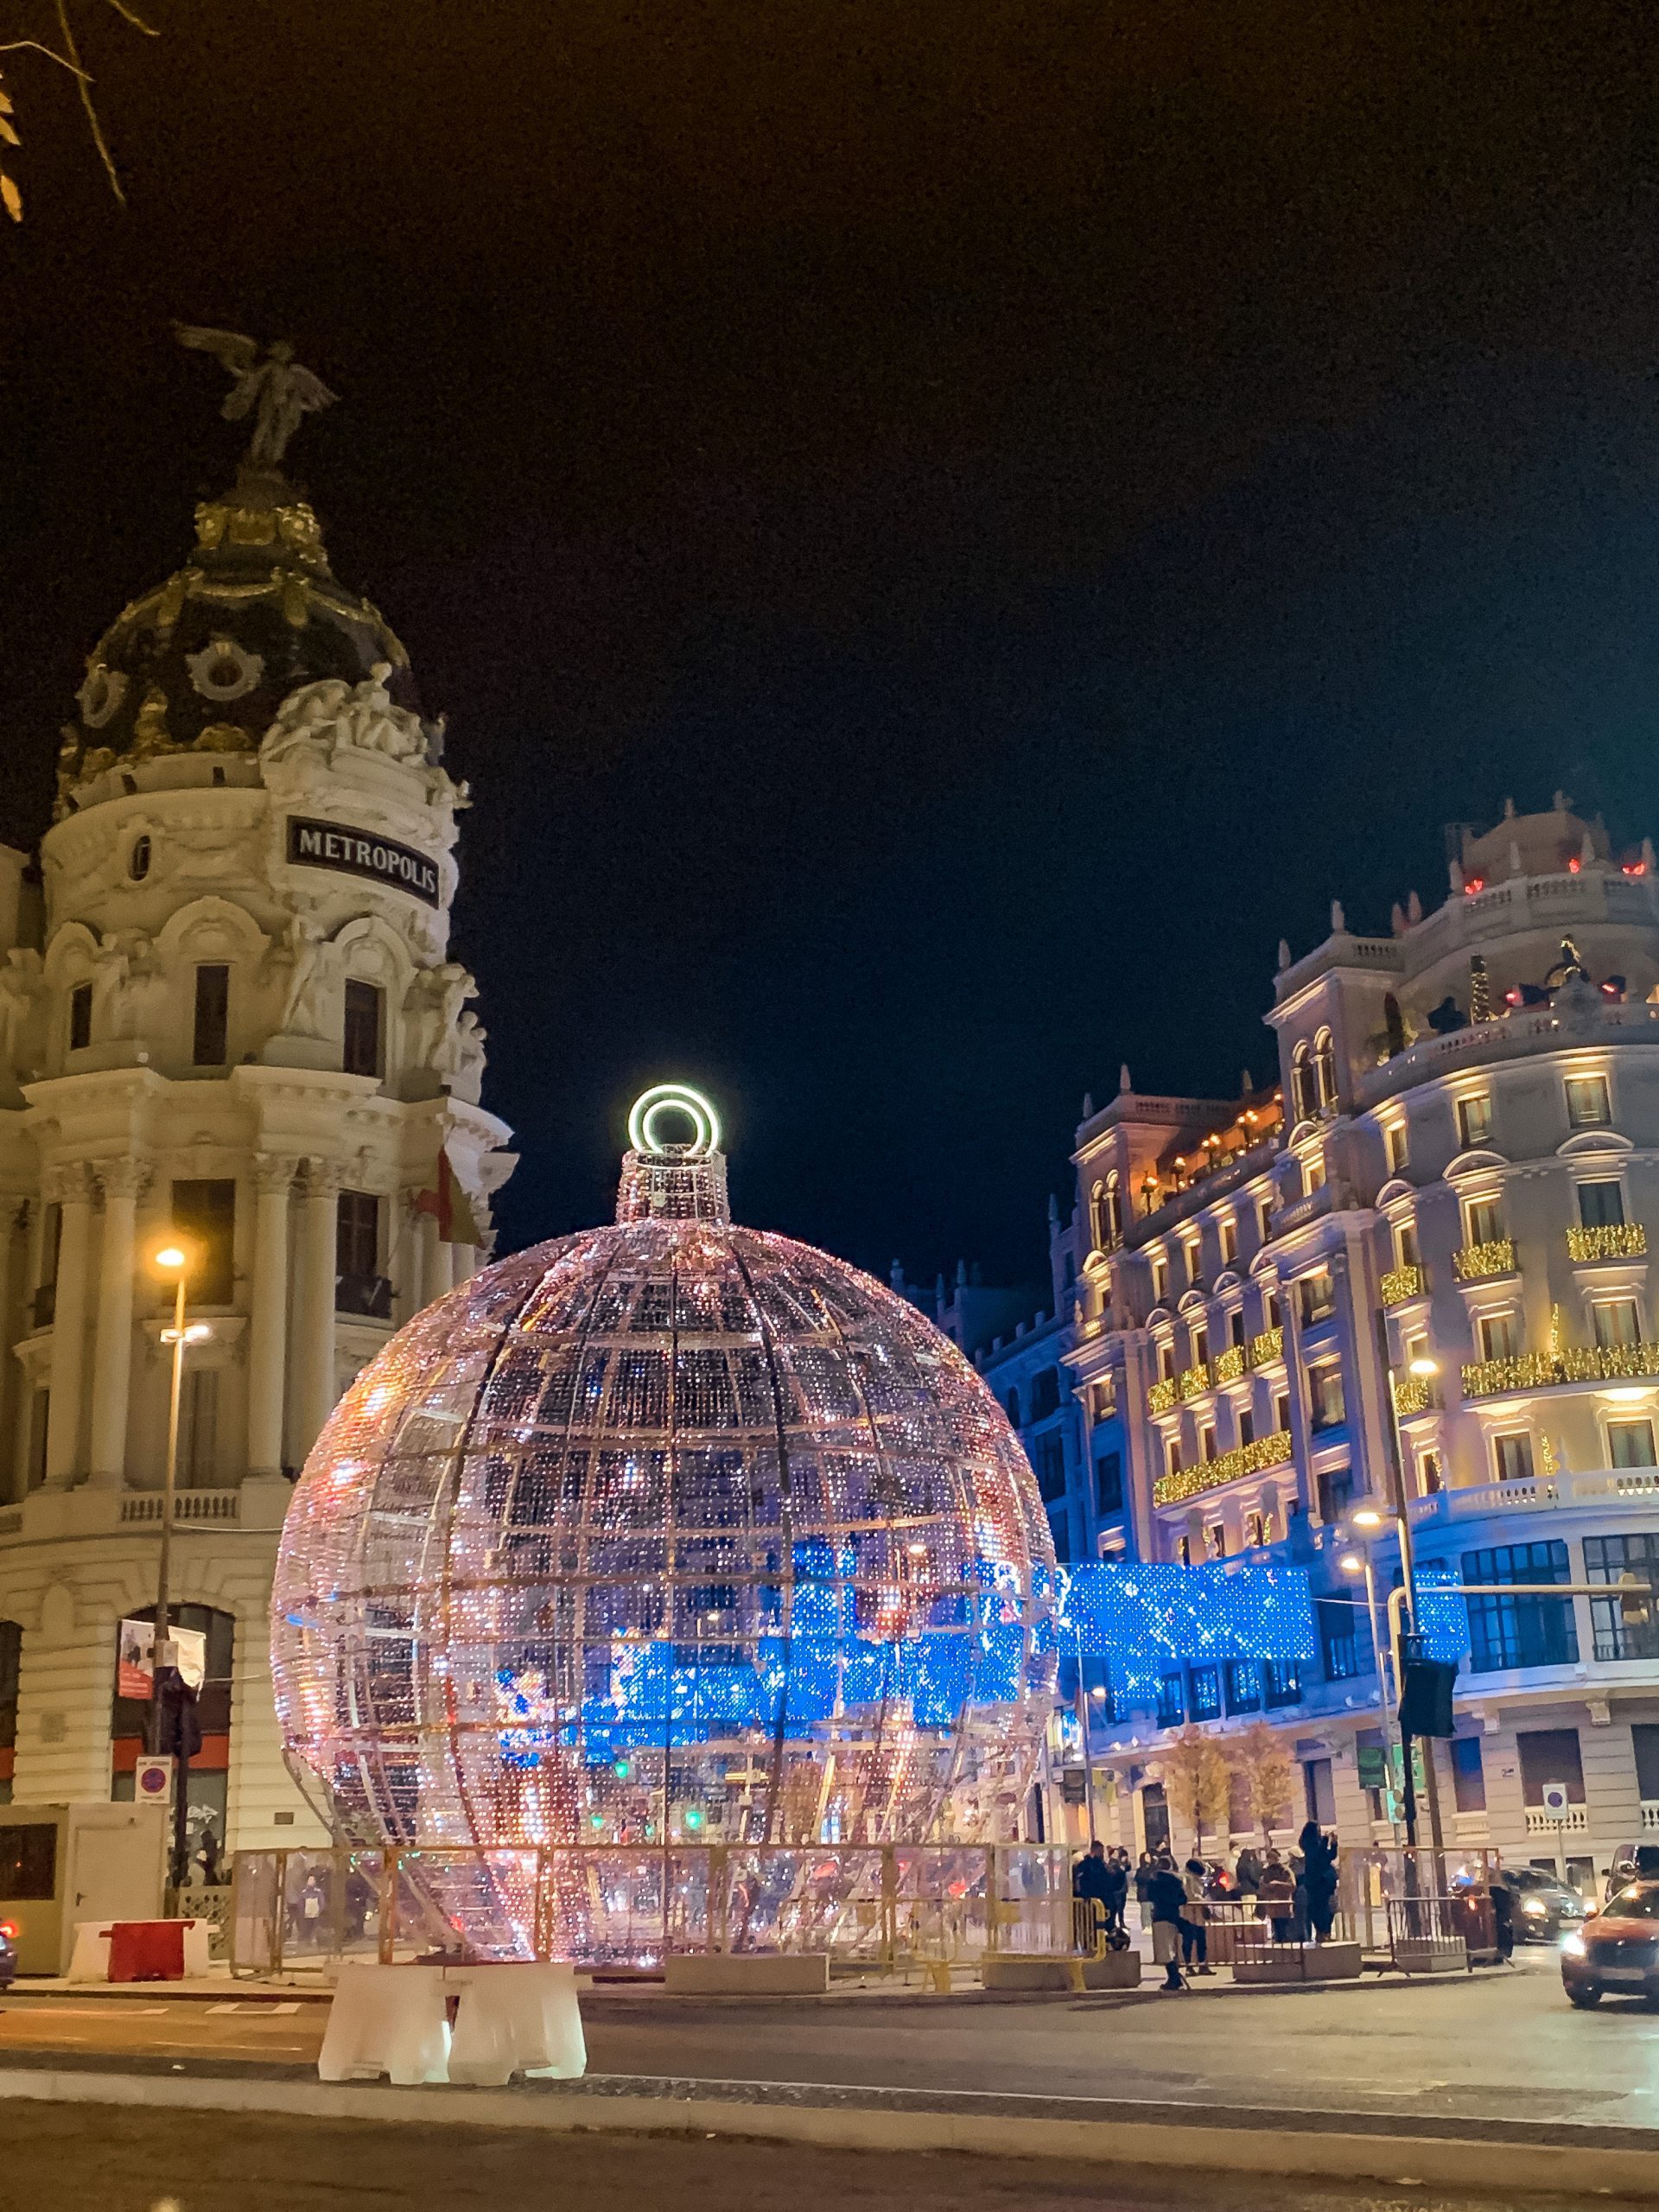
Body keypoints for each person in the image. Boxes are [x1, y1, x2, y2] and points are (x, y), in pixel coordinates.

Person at [1147, 1857, 1189, 1991]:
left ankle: (1174, 1978)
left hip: (1160, 1915)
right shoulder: (1177, 1881)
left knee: (1164, 1951)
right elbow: (1183, 1899)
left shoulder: (1155, 1880)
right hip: (1174, 1916)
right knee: (1173, 1949)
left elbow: (1149, 1896)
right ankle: (1174, 1978)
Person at [1299, 1821, 1339, 1943]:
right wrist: (1326, 1839)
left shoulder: (1317, 1844)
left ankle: (1325, 1933)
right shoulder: (1310, 1845)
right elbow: (1319, 1856)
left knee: (1329, 1909)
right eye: (1317, 1830)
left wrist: (1334, 1843)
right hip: (1317, 1884)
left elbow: (1329, 1856)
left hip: (1325, 1884)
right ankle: (1322, 1933)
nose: (1319, 1832)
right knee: (1321, 1910)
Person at [1073, 1840, 1112, 1949]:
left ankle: (1099, 1944)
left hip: (1102, 1899)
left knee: (1101, 1924)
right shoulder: (1086, 1865)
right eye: (1101, 1851)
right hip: (1090, 1899)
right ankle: (1090, 1944)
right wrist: (1083, 1895)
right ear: (1094, 1850)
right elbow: (1078, 1882)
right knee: (1089, 1924)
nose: (1102, 1854)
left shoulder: (1101, 1864)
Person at [1179, 1856, 1213, 1974]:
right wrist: (1204, 1902)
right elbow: (1191, 1895)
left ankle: (1202, 1964)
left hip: (1196, 1914)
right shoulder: (1187, 1879)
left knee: (1200, 1940)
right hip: (1190, 1914)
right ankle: (1189, 1966)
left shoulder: (1193, 1878)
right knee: (1189, 1940)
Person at [1256, 1850, 1296, 1942]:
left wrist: (1278, 1884)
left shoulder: (1285, 1870)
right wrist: (1267, 1886)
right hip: (1273, 1905)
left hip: (1283, 1904)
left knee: (1284, 1929)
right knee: (1276, 1929)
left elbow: (1292, 1885)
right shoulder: (1266, 1872)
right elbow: (1262, 1887)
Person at [1101, 1848, 1129, 1941]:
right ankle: (1115, 1925)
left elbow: (1126, 1869)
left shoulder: (1119, 1862)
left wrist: (1126, 1862)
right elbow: (1119, 1872)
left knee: (1121, 1906)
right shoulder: (1113, 1863)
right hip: (1116, 1890)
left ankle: (1121, 1922)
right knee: (1116, 1907)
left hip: (1121, 1888)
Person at [1134, 1851, 1156, 1931]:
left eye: (1149, 1857)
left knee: (1152, 1910)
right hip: (1144, 1893)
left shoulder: (1152, 1867)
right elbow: (1140, 1879)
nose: (1149, 1859)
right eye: (1147, 1857)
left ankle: (1151, 1925)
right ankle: (1146, 1926)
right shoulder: (1141, 1870)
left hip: (1152, 1893)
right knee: (1145, 1911)